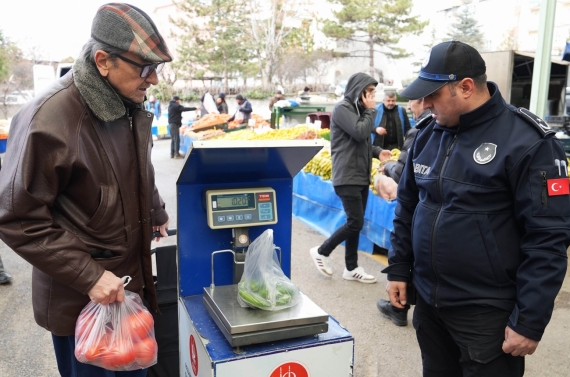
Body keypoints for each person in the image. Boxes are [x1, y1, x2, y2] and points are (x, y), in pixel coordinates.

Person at [0, 3, 172, 376]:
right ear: (103, 60)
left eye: (157, 68)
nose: (154, 79)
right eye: (145, 68)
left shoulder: (127, 102)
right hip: (82, 301)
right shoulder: (46, 120)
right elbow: (16, 218)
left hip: (128, 291)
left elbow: (138, 167)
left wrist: (155, 209)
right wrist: (89, 277)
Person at [383, 41, 570, 376]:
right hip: (429, 304)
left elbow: (547, 239)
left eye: (433, 95)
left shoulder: (528, 142)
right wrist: (399, 268)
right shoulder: (427, 134)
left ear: (465, 87)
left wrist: (529, 320)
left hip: (487, 314)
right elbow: (408, 207)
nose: (424, 104)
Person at [309, 72, 378, 284]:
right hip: (347, 176)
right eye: (370, 92)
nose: (373, 96)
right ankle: (322, 251)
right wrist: (372, 111)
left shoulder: (358, 110)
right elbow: (359, 132)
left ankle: (351, 267)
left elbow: (360, 142)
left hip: (359, 175)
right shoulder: (343, 108)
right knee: (355, 222)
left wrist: (377, 152)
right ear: (360, 91)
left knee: (355, 222)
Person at [375, 98, 429, 325]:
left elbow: (405, 174)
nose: (409, 107)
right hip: (423, 214)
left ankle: (399, 306)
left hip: (419, 213)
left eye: (413, 102)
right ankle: (401, 305)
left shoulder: (421, 130)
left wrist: (386, 169)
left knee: (411, 250)